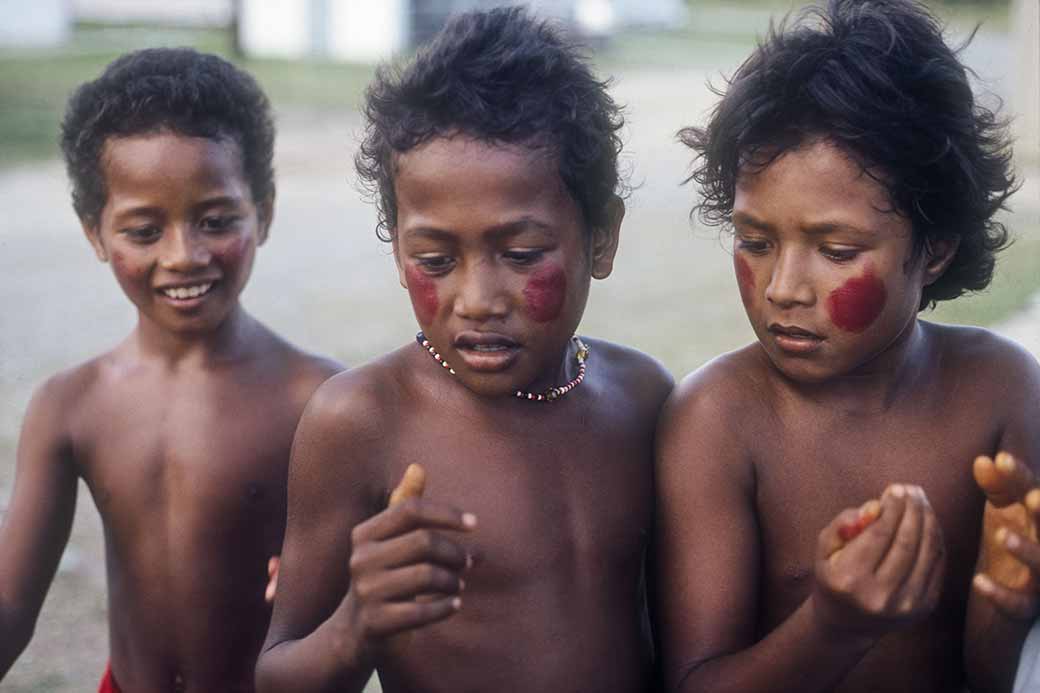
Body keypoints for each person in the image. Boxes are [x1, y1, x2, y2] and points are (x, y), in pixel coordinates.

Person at [255, 7, 673, 692]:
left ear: (601, 239)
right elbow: (277, 674)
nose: (477, 297)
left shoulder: (644, 399)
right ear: (397, 251)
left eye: (521, 253)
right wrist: (354, 625)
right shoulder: (361, 421)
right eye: (436, 258)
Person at [655, 0, 1036, 691]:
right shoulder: (717, 420)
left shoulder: (1002, 391)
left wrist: (1005, 602)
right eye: (755, 241)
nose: (783, 288)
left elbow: (986, 675)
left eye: (835, 249)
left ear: (937, 249)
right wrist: (832, 627)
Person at [0, 48, 341, 691]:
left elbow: (347, 617)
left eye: (216, 221)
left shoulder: (319, 399)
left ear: (263, 211)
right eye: (143, 229)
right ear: (95, 233)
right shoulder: (70, 406)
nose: (184, 255)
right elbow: (12, 607)